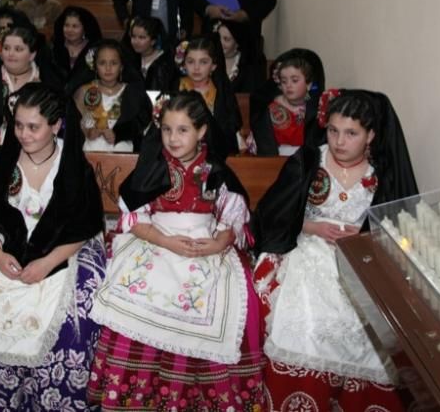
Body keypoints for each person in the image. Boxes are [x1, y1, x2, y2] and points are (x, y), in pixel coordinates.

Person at [0, 83, 106, 410]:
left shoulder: (71, 165)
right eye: (19, 125)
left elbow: (84, 226)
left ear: (55, 126)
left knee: (70, 312)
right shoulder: (4, 158)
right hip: (2, 246)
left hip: (58, 250)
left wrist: (47, 263)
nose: (24, 134)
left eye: (34, 127)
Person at [88, 91, 264, 410]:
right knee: (139, 291)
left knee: (229, 296)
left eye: (183, 130)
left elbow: (233, 216)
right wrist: (166, 241)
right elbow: (133, 218)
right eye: (167, 129)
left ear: (201, 131)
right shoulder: (152, 166)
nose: (172, 138)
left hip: (204, 241)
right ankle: (140, 391)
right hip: (156, 238)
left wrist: (220, 242)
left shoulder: (215, 171)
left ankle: (194, 390)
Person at [252, 89, 419, 412]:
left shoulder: (381, 172)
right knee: (307, 316)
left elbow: (401, 226)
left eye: (351, 133)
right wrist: (311, 226)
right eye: (333, 131)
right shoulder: (311, 160)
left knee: (366, 321)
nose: (339, 141)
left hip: (359, 255)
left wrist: (367, 234)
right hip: (307, 248)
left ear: (371, 135)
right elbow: (273, 212)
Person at [0, 25, 61, 148]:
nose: (11, 54)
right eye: (6, 48)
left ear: (32, 55)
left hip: (35, 145)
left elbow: (52, 124)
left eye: (18, 49)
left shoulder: (45, 82)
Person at [72, 39, 151, 152]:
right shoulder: (84, 91)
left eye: (114, 63)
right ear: (95, 66)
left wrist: (119, 134)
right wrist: (87, 131)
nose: (108, 68)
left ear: (121, 66)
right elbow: (72, 124)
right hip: (88, 155)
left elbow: (141, 124)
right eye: (102, 63)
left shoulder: (133, 93)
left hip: (124, 154)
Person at [172, 35, 242, 158]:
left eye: (203, 62)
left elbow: (227, 130)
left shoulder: (220, 93)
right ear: (184, 64)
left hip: (212, 152)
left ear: (213, 66)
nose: (196, 68)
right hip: (178, 149)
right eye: (190, 61)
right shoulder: (175, 88)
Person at [250, 48, 326, 157]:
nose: (289, 85)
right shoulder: (270, 108)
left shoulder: (314, 107)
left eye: (294, 80)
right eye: (284, 81)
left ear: (309, 84)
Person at [52, 6, 103, 90]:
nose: (69, 30)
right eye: (66, 25)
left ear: (84, 29)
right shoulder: (53, 49)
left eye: (75, 26)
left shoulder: (94, 50)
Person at [121, 16, 177, 92]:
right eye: (133, 36)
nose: (136, 41)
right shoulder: (131, 60)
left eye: (142, 37)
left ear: (153, 41)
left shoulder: (165, 61)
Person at [217, 20, 265, 94]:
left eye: (226, 39)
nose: (220, 42)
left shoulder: (249, 66)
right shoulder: (208, 59)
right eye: (218, 37)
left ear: (237, 43)